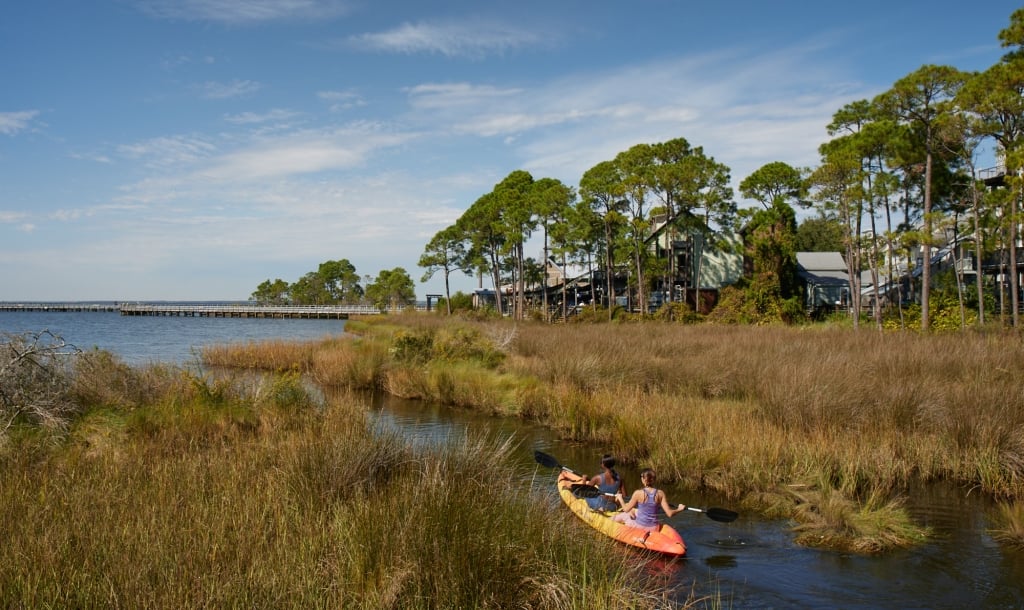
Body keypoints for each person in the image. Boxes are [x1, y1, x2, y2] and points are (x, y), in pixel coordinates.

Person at [612, 468, 686, 531]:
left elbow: (626, 509)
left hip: (640, 527)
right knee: (635, 511)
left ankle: (608, 520)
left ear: (644, 479)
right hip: (654, 528)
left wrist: (620, 498)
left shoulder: (638, 493)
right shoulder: (661, 493)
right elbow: (669, 514)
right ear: (653, 480)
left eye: (641, 477)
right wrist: (679, 509)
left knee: (626, 515)